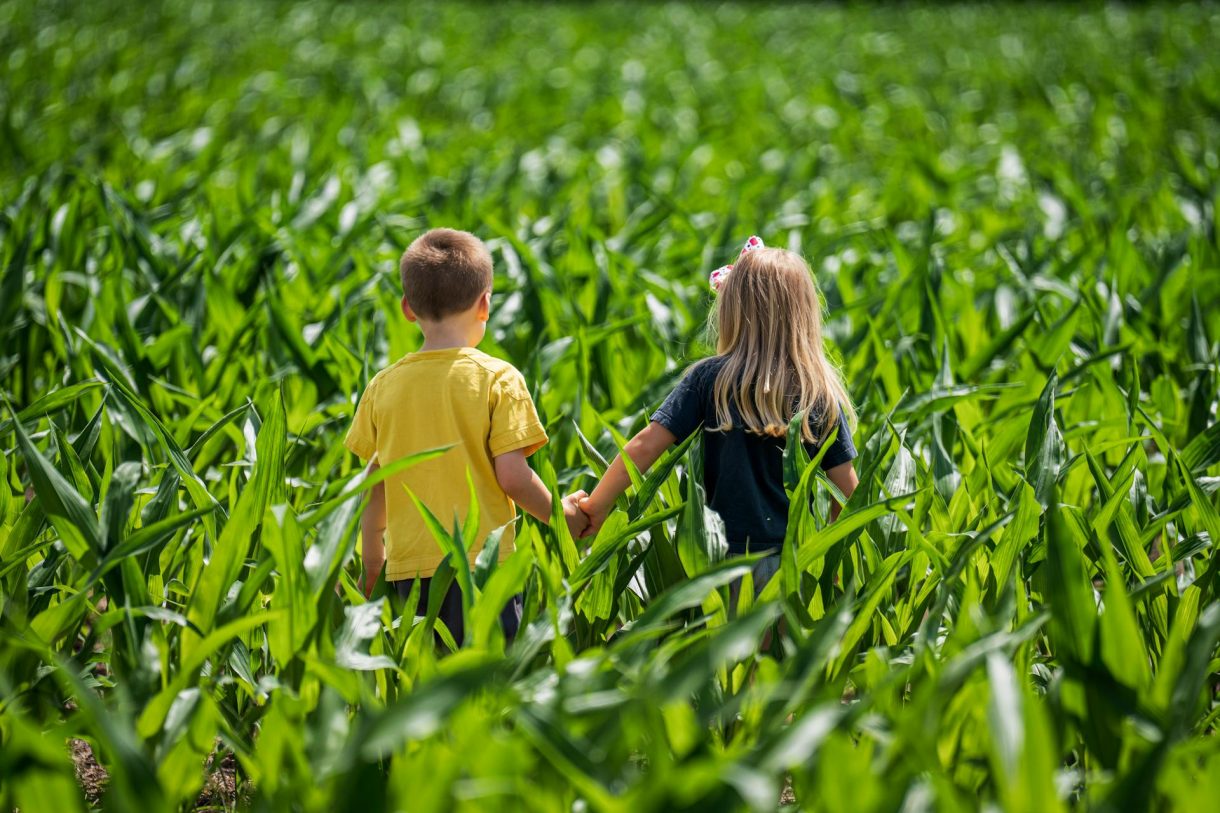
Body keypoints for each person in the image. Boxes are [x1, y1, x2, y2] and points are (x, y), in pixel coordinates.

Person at [576, 236, 859, 598]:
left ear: (732, 310)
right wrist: (830, 561)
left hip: (718, 561)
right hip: (792, 562)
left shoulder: (711, 380)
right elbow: (847, 493)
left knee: (725, 651)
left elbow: (646, 446)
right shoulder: (818, 393)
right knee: (777, 655)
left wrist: (594, 507)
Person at [345, 228, 588, 646]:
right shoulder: (498, 379)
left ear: (407, 308)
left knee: (426, 686)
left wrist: (372, 565)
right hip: (484, 566)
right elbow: (512, 477)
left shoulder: (382, 387)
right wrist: (563, 519)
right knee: (489, 684)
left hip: (410, 573)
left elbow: (374, 488)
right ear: (485, 304)